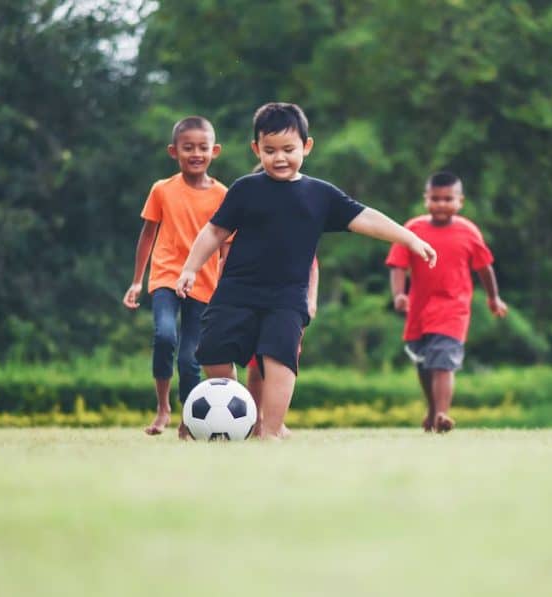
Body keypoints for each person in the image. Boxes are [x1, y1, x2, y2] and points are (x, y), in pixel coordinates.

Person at [175, 101, 436, 440]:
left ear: (306, 147)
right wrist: (190, 269)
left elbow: (366, 218)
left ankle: (270, 430)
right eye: (269, 150)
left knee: (279, 357)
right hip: (236, 290)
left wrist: (410, 239)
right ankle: (234, 417)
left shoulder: (320, 195)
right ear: (256, 149)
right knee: (213, 348)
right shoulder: (245, 189)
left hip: (286, 297)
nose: (279, 158)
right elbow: (214, 232)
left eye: (288, 149)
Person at [122, 116, 229, 435]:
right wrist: (137, 281)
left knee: (190, 357)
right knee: (165, 335)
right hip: (166, 276)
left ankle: (188, 419)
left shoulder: (223, 195)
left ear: (215, 151)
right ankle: (162, 408)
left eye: (202, 147)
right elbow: (147, 235)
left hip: (204, 283)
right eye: (188, 148)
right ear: (173, 151)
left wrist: (225, 286)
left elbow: (226, 245)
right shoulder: (162, 190)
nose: (195, 153)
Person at [385, 171, 508, 433]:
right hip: (419, 308)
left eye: (448, 199)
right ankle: (432, 409)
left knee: (442, 361)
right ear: (425, 199)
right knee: (423, 362)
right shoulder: (413, 229)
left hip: (454, 307)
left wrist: (493, 297)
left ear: (460, 201)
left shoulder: (468, 232)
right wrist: (399, 294)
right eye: (436, 198)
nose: (441, 204)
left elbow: (485, 268)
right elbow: (397, 264)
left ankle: (442, 415)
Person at [245, 256, 318, 439]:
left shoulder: (300, 232)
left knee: (283, 363)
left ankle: (276, 421)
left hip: (290, 305)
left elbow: (312, 267)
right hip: (257, 302)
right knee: (255, 368)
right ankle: (256, 421)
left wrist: (311, 300)